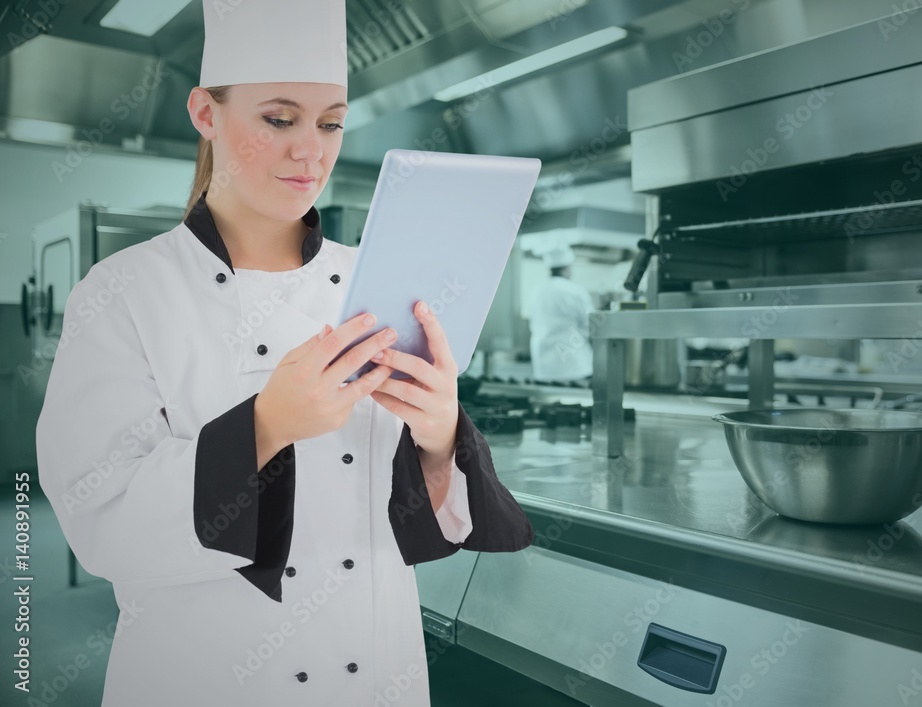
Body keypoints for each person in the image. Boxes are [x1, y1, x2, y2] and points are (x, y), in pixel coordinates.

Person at [34, 2, 533, 705]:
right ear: (205, 112)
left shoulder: (376, 277)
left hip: (375, 673)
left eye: (331, 122)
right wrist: (267, 423)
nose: (312, 151)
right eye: (278, 118)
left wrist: (439, 433)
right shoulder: (123, 292)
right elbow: (100, 517)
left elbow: (424, 518)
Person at [528, 244, 595, 383]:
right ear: (566, 269)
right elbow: (591, 324)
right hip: (573, 364)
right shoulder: (575, 291)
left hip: (543, 365)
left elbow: (533, 323)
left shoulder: (537, 291)